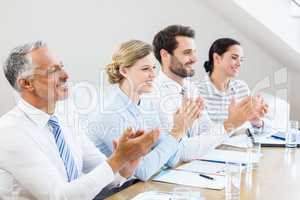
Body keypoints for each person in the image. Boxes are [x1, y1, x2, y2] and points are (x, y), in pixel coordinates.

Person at [0, 41, 159, 200]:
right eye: (53, 71)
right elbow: (60, 196)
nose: (65, 75)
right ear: (27, 83)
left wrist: (125, 167)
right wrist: (118, 160)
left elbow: (100, 166)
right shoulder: (10, 132)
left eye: (61, 66)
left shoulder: (63, 117)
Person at [87, 40, 203, 181]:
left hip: (137, 187)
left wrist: (179, 130)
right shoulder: (111, 115)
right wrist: (176, 132)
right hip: (113, 193)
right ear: (124, 71)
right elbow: (143, 171)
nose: (153, 74)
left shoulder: (146, 104)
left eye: (154, 68)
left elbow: (172, 159)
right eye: (145, 69)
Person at [151, 25, 263, 159]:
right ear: (165, 55)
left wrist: (236, 120)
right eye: (187, 53)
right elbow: (179, 152)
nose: (195, 59)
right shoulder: (154, 94)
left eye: (194, 52)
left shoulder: (190, 88)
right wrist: (230, 124)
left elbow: (207, 131)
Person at [199, 38, 268, 130]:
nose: (239, 63)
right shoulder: (196, 91)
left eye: (241, 60)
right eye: (234, 58)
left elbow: (255, 133)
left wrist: (256, 122)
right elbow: (201, 136)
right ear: (217, 58)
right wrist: (232, 123)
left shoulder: (241, 87)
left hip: (244, 144)